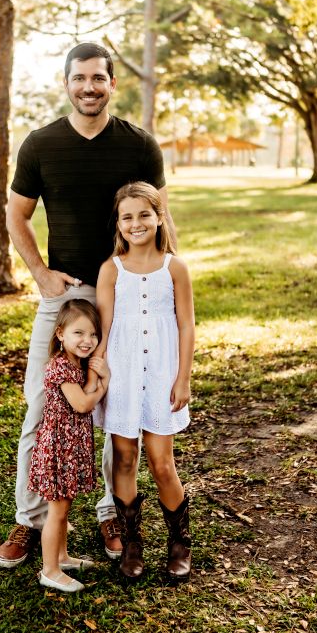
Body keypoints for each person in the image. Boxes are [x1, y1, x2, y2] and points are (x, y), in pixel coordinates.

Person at [0, 42, 175, 568]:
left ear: (112, 83)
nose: (89, 87)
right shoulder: (41, 144)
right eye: (80, 79)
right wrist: (41, 274)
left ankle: (105, 513)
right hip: (66, 298)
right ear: (67, 83)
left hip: (123, 294)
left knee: (108, 412)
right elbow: (16, 217)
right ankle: (30, 520)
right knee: (41, 408)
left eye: (99, 78)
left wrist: (165, 283)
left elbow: (163, 220)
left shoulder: (140, 145)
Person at [94, 181, 195, 582]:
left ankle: (179, 544)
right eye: (127, 217)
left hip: (160, 378)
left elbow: (186, 326)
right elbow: (104, 330)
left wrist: (182, 379)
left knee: (161, 463)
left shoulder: (175, 267)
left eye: (144, 215)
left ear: (159, 217)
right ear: (119, 225)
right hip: (122, 376)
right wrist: (97, 379)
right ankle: (132, 546)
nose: (136, 224)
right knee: (124, 459)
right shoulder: (110, 270)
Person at [28, 299, 110, 593]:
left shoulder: (76, 364)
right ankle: (49, 570)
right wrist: (104, 382)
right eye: (79, 333)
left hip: (70, 446)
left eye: (93, 334)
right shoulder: (60, 366)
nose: (87, 341)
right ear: (60, 334)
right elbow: (83, 403)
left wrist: (93, 379)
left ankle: (61, 557)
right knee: (57, 511)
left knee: (65, 507)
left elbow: (85, 395)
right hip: (59, 449)